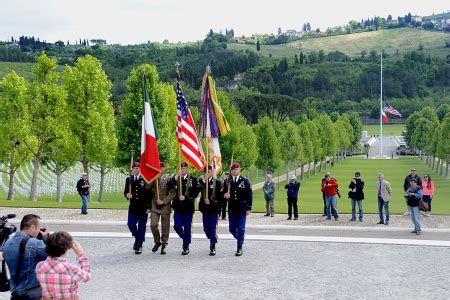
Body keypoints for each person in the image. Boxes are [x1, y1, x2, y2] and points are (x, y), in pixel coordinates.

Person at [3, 214, 49, 299]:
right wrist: (45, 238)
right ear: (32, 227)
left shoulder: (7, 243)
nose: (39, 230)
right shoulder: (34, 243)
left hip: (15, 291)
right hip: (32, 291)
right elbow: (51, 257)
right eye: (38, 228)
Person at [36, 231, 91, 299]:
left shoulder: (39, 266)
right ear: (65, 250)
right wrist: (81, 255)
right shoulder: (71, 268)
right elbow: (87, 277)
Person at [124, 162, 153, 254]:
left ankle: (139, 244)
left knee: (142, 226)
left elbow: (150, 194)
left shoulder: (144, 179)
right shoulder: (129, 179)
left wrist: (149, 206)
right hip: (133, 207)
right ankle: (138, 238)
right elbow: (125, 191)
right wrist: (127, 195)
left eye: (137, 168)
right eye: (134, 168)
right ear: (131, 169)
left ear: (140, 169)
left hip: (143, 207)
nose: (136, 170)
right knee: (131, 224)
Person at [223, 162, 252, 256]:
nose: (234, 171)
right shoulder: (228, 182)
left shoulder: (244, 181)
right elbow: (223, 193)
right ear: (231, 171)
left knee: (241, 229)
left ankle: (239, 247)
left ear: (239, 170)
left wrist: (248, 208)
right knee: (231, 228)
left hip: (241, 208)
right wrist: (225, 195)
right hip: (232, 208)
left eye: (236, 169)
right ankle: (240, 239)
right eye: (233, 170)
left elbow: (249, 195)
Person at [172, 162, 199, 255]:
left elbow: (195, 192)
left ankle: (186, 245)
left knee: (187, 227)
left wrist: (186, 197)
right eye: (181, 168)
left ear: (187, 169)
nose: (183, 170)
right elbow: (169, 185)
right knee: (177, 226)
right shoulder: (176, 178)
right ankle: (185, 238)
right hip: (178, 207)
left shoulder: (193, 179)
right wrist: (176, 176)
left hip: (188, 207)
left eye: (184, 168)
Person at [150, 162, 176, 255]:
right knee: (153, 224)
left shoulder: (168, 179)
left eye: (162, 167)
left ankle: (164, 244)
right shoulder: (154, 178)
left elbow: (173, 193)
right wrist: (150, 178)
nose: (160, 168)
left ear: (165, 168)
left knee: (165, 227)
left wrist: (164, 201)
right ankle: (157, 242)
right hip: (154, 205)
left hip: (165, 205)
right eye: (159, 167)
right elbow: (147, 187)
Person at [198, 165, 223, 256]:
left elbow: (220, 198)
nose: (206, 174)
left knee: (212, 228)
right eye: (205, 172)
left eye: (208, 172)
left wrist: (217, 209)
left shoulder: (217, 183)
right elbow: (196, 190)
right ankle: (213, 237)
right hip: (205, 210)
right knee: (206, 229)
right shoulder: (201, 183)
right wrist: (204, 182)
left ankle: (212, 246)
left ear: (212, 172)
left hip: (213, 210)